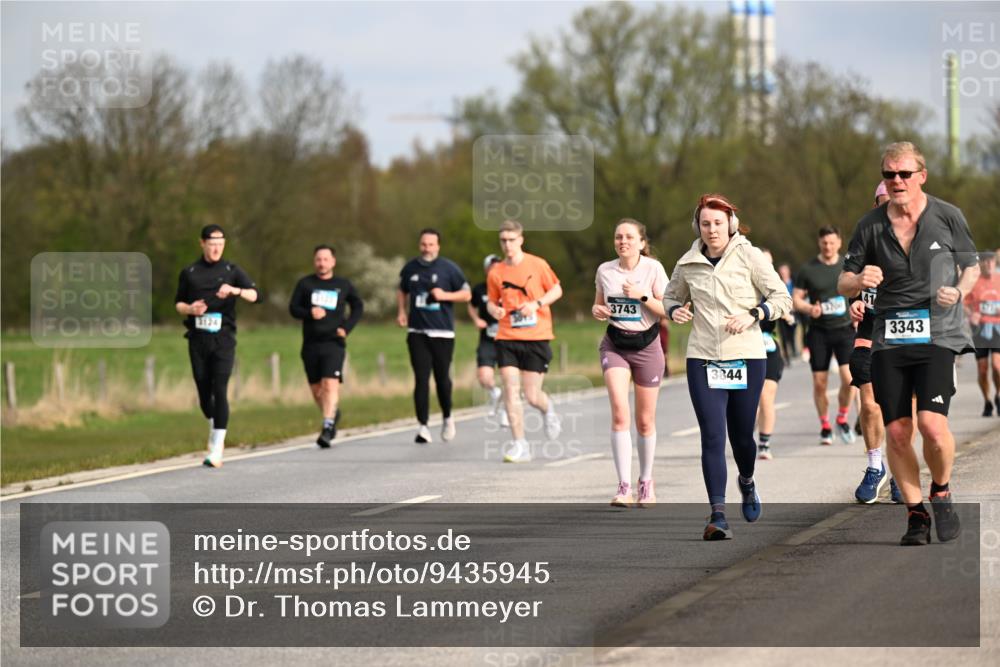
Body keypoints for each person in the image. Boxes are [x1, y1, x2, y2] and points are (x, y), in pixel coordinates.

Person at [839, 141, 979, 546]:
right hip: (888, 337)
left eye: (903, 173)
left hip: (937, 331)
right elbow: (843, 281)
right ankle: (916, 515)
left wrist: (960, 291)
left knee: (932, 427)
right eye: (888, 174)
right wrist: (859, 279)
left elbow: (971, 266)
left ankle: (942, 489)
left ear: (921, 175)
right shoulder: (869, 225)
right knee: (897, 432)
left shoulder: (948, 216)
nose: (896, 181)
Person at [663, 194, 792, 540]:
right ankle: (717, 514)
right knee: (712, 436)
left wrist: (753, 314)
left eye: (718, 223)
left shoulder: (750, 256)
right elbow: (670, 296)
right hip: (703, 357)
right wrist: (675, 310)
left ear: (731, 224)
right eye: (705, 224)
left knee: (741, 438)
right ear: (698, 227)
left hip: (747, 357)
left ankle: (747, 481)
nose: (712, 230)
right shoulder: (687, 263)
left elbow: (782, 299)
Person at [591, 219, 668, 507]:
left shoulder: (653, 269)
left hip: (647, 346)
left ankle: (645, 481)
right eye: (618, 237)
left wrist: (642, 296)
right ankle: (623, 486)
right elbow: (598, 304)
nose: (623, 241)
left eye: (629, 237)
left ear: (641, 242)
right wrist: (598, 310)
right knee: (620, 414)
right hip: (615, 345)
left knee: (645, 421)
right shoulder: (605, 270)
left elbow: (667, 310)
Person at [174, 224, 260, 468]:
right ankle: (215, 425)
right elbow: (178, 303)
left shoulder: (232, 270)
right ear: (202, 243)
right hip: (198, 338)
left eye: (221, 244)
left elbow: (255, 295)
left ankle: (217, 449)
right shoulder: (189, 272)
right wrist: (191, 309)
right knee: (204, 394)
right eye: (212, 244)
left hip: (223, 338)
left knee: (219, 387)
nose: (216, 249)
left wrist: (235, 290)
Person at [486, 220, 563, 463]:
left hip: (536, 336)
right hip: (507, 336)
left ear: (521, 240)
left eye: (511, 240)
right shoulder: (496, 271)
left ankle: (548, 410)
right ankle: (521, 444)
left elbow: (557, 290)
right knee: (510, 389)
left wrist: (537, 304)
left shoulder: (537, 264)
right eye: (503, 240)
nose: (507, 245)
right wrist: (493, 310)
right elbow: (491, 300)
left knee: (531, 395)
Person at [849, 183, 903, 503]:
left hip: (904, 332)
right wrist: (853, 302)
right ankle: (875, 466)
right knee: (869, 403)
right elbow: (851, 284)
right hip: (869, 330)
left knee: (900, 409)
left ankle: (899, 470)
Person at [397, 228, 472, 444]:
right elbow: (402, 290)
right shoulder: (410, 267)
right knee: (421, 379)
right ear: (419, 245)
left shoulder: (449, 268)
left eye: (431, 244)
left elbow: (466, 294)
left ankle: (448, 417)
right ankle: (423, 426)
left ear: (438, 246)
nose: (427, 248)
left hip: (442, 333)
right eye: (423, 244)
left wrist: (445, 295)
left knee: (442, 379)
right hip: (417, 332)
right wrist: (402, 311)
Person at [289, 245, 364, 447]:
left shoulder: (343, 284)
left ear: (333, 262)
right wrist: (308, 313)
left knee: (330, 384)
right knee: (317, 390)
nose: (321, 263)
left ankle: (327, 426)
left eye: (325, 259)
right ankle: (332, 413)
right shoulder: (305, 284)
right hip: (311, 344)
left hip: (334, 343)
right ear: (315, 262)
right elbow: (293, 308)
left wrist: (346, 328)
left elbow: (358, 306)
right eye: (318, 259)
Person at [794, 226, 857, 446]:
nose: (828, 247)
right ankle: (825, 426)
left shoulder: (848, 266)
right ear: (819, 243)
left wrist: (857, 309)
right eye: (824, 243)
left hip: (845, 329)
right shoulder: (808, 269)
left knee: (850, 379)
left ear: (839, 242)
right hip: (819, 331)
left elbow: (859, 291)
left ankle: (841, 417)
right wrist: (810, 309)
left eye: (832, 242)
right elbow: (797, 299)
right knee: (820, 383)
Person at [469, 254, 508, 427]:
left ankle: (505, 412)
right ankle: (494, 392)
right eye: (491, 267)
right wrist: (476, 319)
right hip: (487, 338)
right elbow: (471, 304)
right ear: (486, 270)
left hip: (507, 338)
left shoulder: (509, 286)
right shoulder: (479, 289)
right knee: (484, 377)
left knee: (510, 379)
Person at [755, 249, 784, 461]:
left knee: (766, 396)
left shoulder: (775, 288)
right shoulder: (742, 286)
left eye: (770, 263)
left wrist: (789, 315)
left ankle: (764, 443)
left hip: (769, 346)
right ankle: (748, 432)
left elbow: (785, 304)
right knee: (750, 402)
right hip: (743, 347)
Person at [964, 251, 1000, 416]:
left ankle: (998, 395)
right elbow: (963, 303)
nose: (988, 265)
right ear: (981, 264)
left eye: (991, 262)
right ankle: (987, 401)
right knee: (983, 369)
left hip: (998, 329)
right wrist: (971, 314)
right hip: (979, 330)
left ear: (995, 263)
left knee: (997, 366)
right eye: (985, 262)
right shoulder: (973, 283)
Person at [776, 263, 798, 363]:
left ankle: (794, 350)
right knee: (783, 335)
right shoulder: (778, 283)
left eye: (785, 271)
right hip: (782, 313)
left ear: (788, 271)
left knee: (792, 332)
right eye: (782, 271)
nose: (783, 273)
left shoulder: (793, 282)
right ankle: (787, 356)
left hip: (793, 311)